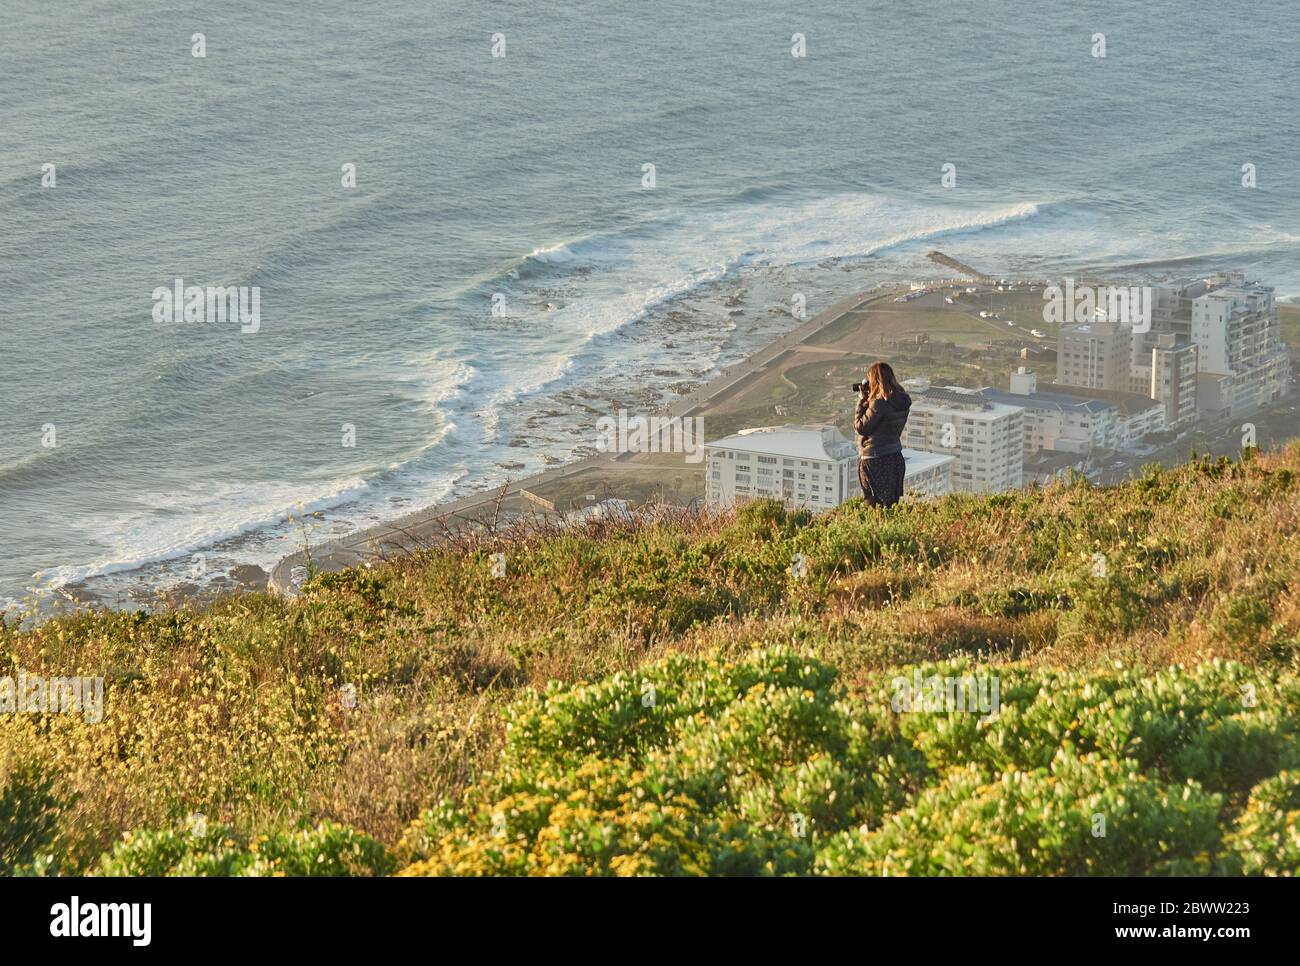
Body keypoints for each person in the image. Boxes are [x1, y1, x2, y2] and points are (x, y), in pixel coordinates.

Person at [854, 362, 911, 507]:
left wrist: (862, 401)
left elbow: (860, 427)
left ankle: (877, 530)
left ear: (875, 380)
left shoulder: (879, 404)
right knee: (891, 506)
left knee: (874, 505)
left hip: (875, 460)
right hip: (895, 458)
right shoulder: (903, 401)